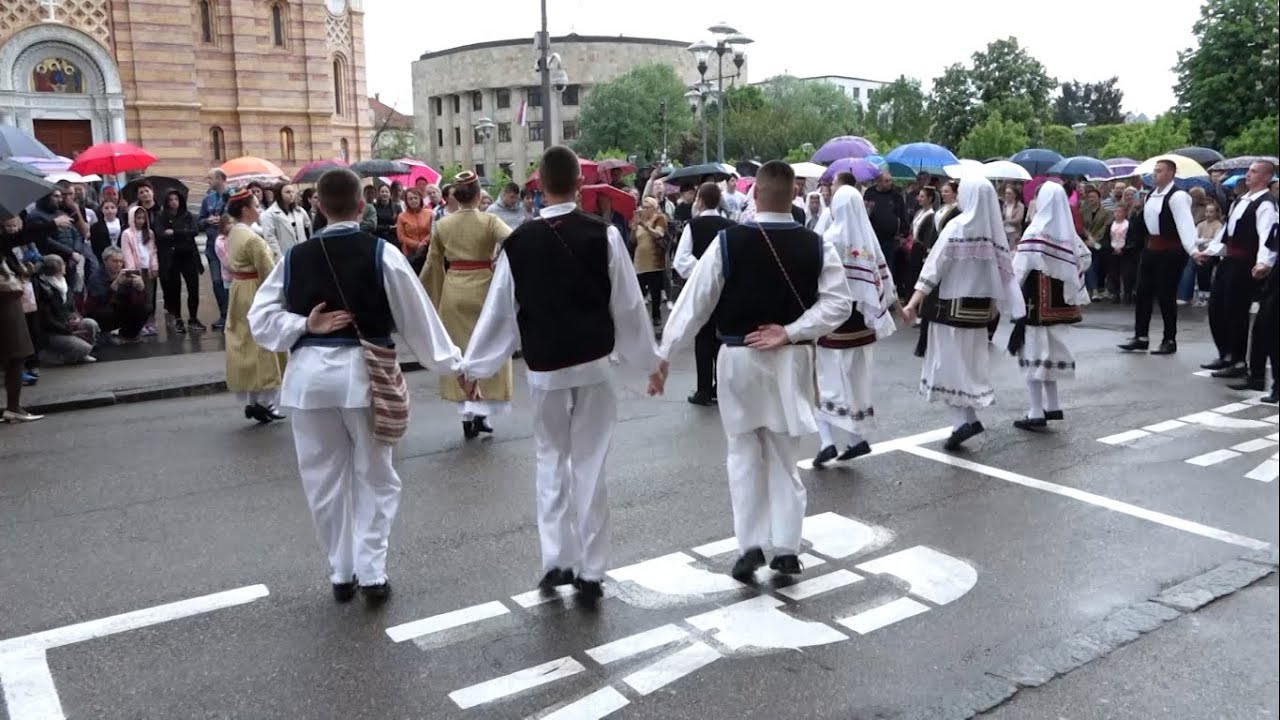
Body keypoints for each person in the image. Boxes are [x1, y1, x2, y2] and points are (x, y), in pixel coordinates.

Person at [457, 146, 662, 603]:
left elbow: (500, 315)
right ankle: (591, 572)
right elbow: (627, 306)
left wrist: (475, 368)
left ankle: (557, 561)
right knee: (589, 465)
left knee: (550, 461)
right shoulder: (603, 236)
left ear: (538, 185)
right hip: (592, 364)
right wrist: (649, 363)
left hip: (545, 367)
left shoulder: (518, 243)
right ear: (580, 185)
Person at [249, 168, 461, 605]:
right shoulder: (382, 253)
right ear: (362, 206)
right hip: (365, 375)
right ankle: (371, 573)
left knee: (323, 481)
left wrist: (304, 323)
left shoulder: (294, 258)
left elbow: (260, 321)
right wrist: (454, 365)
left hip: (307, 379)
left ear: (318, 207)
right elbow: (418, 320)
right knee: (376, 475)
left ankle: (341, 571)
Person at [655, 160, 852, 581]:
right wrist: (791, 330)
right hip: (791, 358)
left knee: (743, 454)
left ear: (756, 195)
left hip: (738, 357)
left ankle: (749, 546)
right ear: (792, 197)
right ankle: (786, 548)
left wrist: (664, 355)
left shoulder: (730, 241)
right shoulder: (818, 245)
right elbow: (839, 304)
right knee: (784, 455)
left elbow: (695, 302)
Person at [901, 179, 1025, 451]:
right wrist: (1016, 309)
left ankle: (961, 424)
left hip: (950, 310)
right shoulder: (994, 234)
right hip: (979, 315)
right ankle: (968, 419)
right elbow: (1008, 274)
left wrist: (912, 303)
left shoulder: (957, 227)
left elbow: (932, 268)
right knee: (967, 366)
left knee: (948, 367)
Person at [421, 171, 513, 440]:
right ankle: (482, 413)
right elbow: (514, 241)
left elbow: (432, 263)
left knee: (460, 353)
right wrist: (501, 265)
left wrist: (427, 295)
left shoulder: (442, 224)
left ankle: (467, 416)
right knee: (487, 348)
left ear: (456, 196)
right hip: (485, 288)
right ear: (477, 194)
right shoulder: (489, 221)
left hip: (454, 289)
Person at [812, 186, 897, 468]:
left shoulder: (830, 239)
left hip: (834, 323)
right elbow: (883, 283)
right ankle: (854, 438)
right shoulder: (867, 241)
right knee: (854, 380)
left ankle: (827, 442)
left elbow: (817, 281)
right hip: (861, 325)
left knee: (823, 382)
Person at [1007, 183, 1091, 430]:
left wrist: (1008, 290)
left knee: (1033, 354)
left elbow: (1021, 267)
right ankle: (1052, 405)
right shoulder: (1067, 233)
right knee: (1052, 351)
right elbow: (1084, 258)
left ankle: (1035, 411)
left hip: (1036, 303)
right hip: (1059, 304)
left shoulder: (1036, 230)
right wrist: (1062, 273)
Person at [1193, 160, 1278, 380]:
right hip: (1229, 261)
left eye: (1254, 172)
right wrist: (1210, 252)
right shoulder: (1240, 200)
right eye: (1249, 171)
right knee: (1216, 308)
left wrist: (1264, 263)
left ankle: (1239, 361)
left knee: (1236, 311)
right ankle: (1226, 353)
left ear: (1267, 177)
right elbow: (1226, 232)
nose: (1248, 175)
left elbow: (1267, 237)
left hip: (1245, 264)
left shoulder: (1266, 204)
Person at [1118, 159, 1200, 355]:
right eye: (1154, 171)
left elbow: (1185, 224)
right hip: (1151, 250)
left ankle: (1169, 339)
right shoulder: (1151, 196)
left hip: (1170, 251)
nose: (1155, 174)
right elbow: (1144, 224)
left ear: (1171, 173)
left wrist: (1193, 250)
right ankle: (1141, 337)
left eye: (1160, 171)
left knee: (1166, 295)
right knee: (1143, 292)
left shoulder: (1178, 196)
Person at [223, 189, 285, 423]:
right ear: (245, 209)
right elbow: (270, 273)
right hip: (255, 292)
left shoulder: (235, 232)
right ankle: (266, 402)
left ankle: (253, 401)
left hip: (240, 291)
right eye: (256, 205)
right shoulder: (252, 239)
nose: (259, 209)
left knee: (245, 343)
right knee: (265, 344)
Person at [673, 182, 736, 406]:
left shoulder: (693, 225)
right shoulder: (731, 226)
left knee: (703, 338)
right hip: (725, 290)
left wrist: (702, 271)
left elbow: (681, 260)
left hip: (702, 289)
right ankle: (721, 387)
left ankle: (703, 390)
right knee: (721, 339)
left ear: (699, 200)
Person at [1, 214, 42, 423]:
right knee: (17, 355)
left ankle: (12, 407)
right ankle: (13, 408)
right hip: (6, 304)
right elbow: (14, 239)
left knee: (13, 357)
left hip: (8, 301)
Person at [33, 254, 99, 364]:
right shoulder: (44, 288)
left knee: (90, 324)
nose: (65, 266)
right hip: (53, 332)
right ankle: (53, 357)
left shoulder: (63, 283)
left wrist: (77, 317)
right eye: (63, 264)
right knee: (83, 348)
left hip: (67, 323)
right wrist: (68, 329)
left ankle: (83, 353)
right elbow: (47, 320)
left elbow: (71, 307)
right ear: (57, 268)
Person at [156, 189, 204, 333]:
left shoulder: (187, 215)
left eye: (176, 199)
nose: (173, 202)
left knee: (193, 288)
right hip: (172, 258)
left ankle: (193, 318)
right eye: (170, 200)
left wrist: (176, 232)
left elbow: (194, 230)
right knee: (174, 290)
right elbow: (161, 234)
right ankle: (177, 318)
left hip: (188, 256)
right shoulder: (161, 216)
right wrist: (182, 233)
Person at [84, 247, 149, 341]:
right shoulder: (96, 277)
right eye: (114, 261)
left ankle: (128, 335)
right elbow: (100, 300)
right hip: (100, 314)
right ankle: (102, 334)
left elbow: (137, 301)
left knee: (145, 309)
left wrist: (140, 289)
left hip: (120, 310)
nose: (118, 264)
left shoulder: (126, 275)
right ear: (105, 261)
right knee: (106, 311)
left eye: (121, 261)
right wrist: (116, 283)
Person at [120, 204, 159, 336]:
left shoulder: (149, 233)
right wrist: (132, 270)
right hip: (137, 270)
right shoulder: (127, 234)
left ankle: (150, 322)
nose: (141, 221)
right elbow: (127, 252)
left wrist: (154, 266)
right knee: (138, 298)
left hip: (148, 269)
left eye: (143, 218)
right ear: (132, 218)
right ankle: (139, 324)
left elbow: (152, 251)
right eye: (138, 218)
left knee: (149, 297)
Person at [630, 196, 668, 328]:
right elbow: (633, 241)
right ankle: (639, 319)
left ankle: (656, 317)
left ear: (653, 208)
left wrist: (644, 225)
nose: (644, 210)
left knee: (655, 292)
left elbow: (658, 234)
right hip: (640, 261)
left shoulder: (659, 218)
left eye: (647, 207)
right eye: (643, 207)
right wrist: (634, 227)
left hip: (654, 261)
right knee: (638, 292)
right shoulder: (639, 221)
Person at [199, 169, 230, 330]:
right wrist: (207, 221)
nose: (208, 180)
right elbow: (199, 221)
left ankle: (235, 315)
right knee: (217, 282)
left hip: (229, 247)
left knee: (231, 282)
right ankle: (224, 315)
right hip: (212, 247)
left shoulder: (232, 197)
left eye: (210, 178)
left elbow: (237, 219)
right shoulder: (207, 199)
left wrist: (223, 220)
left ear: (220, 179)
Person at [261, 183, 312, 258]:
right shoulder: (269, 214)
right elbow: (270, 239)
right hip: (285, 254)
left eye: (293, 192)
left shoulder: (300, 211)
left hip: (303, 251)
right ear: (279, 194)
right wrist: (279, 258)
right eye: (287, 192)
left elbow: (308, 229)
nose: (291, 194)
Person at [395, 187, 433, 269]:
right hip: (410, 254)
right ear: (407, 201)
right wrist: (417, 244)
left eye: (415, 198)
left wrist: (424, 242)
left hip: (428, 250)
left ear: (420, 199)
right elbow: (401, 237)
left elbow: (433, 231)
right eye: (410, 199)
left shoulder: (429, 213)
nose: (413, 201)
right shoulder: (402, 216)